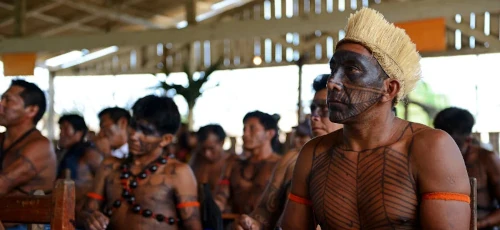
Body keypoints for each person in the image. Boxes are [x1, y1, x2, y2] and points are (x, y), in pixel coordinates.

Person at [281, 8, 471, 229]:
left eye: (352, 69)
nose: (332, 82)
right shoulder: (313, 153)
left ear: (389, 89)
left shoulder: (431, 148)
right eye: (333, 69)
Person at [236, 74, 342, 230]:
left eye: (324, 109)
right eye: (313, 109)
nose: (314, 116)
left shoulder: (363, 163)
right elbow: (263, 215)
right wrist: (251, 224)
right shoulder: (292, 159)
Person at [80, 95, 201, 230]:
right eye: (133, 126)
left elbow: (193, 226)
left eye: (145, 131)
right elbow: (88, 210)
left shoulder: (178, 173)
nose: (134, 135)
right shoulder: (109, 166)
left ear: (166, 139)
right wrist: (90, 218)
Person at [0, 80, 56, 230]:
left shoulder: (40, 146)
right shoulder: (2, 139)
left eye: (8, 100)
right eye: (2, 98)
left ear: (31, 110)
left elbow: (1, 185)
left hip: (24, 226)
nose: (1, 104)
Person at [434, 107, 500, 230]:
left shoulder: (487, 159)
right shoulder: (431, 158)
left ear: (468, 140)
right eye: (442, 145)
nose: (446, 151)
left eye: (453, 146)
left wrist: (479, 224)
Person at [214, 111, 281, 215]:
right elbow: (222, 195)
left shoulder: (280, 165)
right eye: (244, 129)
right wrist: (216, 205)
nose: (245, 134)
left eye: (252, 129)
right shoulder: (234, 164)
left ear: (270, 133)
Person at [57, 114, 103, 214]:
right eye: (60, 129)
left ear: (79, 132)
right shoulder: (66, 154)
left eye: (66, 129)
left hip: (82, 214)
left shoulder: (90, 154)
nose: (61, 134)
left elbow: (105, 180)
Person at [189, 124, 230, 193]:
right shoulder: (196, 158)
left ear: (222, 143)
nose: (206, 154)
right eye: (203, 149)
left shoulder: (231, 163)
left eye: (211, 148)